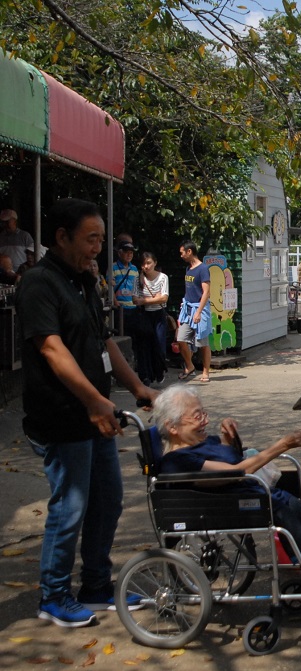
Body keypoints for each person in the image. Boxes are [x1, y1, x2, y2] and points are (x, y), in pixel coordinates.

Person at [16, 198, 158, 628]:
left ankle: (96, 585)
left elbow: (104, 343)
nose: (99, 247)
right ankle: (54, 595)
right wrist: (93, 401)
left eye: (101, 239)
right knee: (70, 506)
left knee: (108, 500)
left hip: (97, 415)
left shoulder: (84, 282)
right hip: (62, 415)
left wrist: (136, 387)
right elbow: (51, 348)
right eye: (91, 238)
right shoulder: (39, 283)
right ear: (62, 237)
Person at [152, 385, 301, 600]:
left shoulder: (201, 442)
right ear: (172, 427)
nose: (205, 421)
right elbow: (235, 472)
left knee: (293, 504)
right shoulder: (178, 460)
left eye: (204, 413)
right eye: (197, 416)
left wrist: (228, 435)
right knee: (282, 510)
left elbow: (230, 455)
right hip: (231, 504)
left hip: (250, 495)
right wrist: (282, 445)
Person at [176, 240, 211, 382]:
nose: (181, 256)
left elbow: (206, 292)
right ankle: (189, 366)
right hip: (188, 308)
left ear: (189, 251)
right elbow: (189, 289)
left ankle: (206, 371)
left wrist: (198, 312)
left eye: (182, 253)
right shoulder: (188, 269)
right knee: (180, 339)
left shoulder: (202, 269)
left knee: (202, 343)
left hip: (199, 309)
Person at [133, 251, 168, 385]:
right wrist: (153, 299)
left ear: (155, 263)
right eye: (143, 264)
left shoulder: (163, 277)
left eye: (149, 263)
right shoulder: (138, 279)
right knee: (144, 346)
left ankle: (159, 371)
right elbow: (135, 299)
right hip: (144, 315)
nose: (146, 266)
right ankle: (145, 376)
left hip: (159, 314)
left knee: (159, 345)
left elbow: (164, 298)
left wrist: (144, 300)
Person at [111, 234, 140, 338]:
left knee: (133, 335)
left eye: (131, 253)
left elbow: (136, 288)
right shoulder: (112, 267)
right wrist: (115, 302)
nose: (129, 255)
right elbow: (109, 287)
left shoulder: (134, 269)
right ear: (120, 253)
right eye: (126, 252)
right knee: (120, 334)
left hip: (132, 308)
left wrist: (137, 302)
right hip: (119, 308)